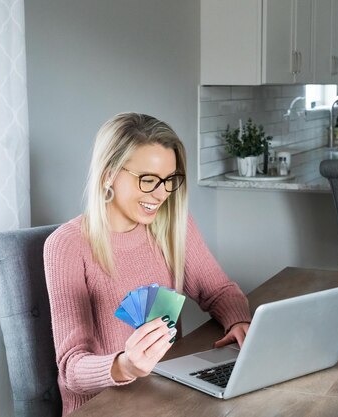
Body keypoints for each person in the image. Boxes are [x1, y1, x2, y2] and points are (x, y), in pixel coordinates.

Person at [44, 112, 251, 415]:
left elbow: (218, 290)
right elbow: (71, 370)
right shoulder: (67, 245)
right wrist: (125, 365)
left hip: (169, 394)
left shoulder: (173, 227)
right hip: (104, 406)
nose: (161, 194)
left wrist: (238, 320)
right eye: (149, 180)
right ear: (108, 174)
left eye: (169, 180)